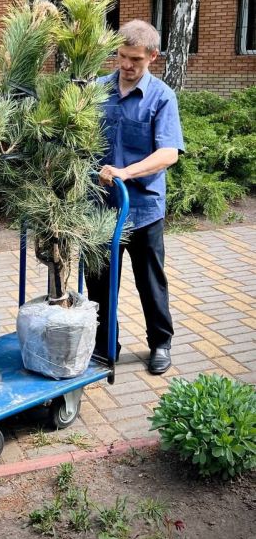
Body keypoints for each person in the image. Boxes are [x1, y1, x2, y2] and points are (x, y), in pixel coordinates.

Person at [86, 20, 184, 376]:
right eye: (122, 57)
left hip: (142, 209)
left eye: (136, 60)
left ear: (152, 57)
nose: (127, 66)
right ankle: (104, 345)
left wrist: (127, 172)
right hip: (98, 210)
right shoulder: (97, 89)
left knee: (150, 281)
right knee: (98, 284)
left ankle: (160, 343)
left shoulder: (161, 97)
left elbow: (169, 153)